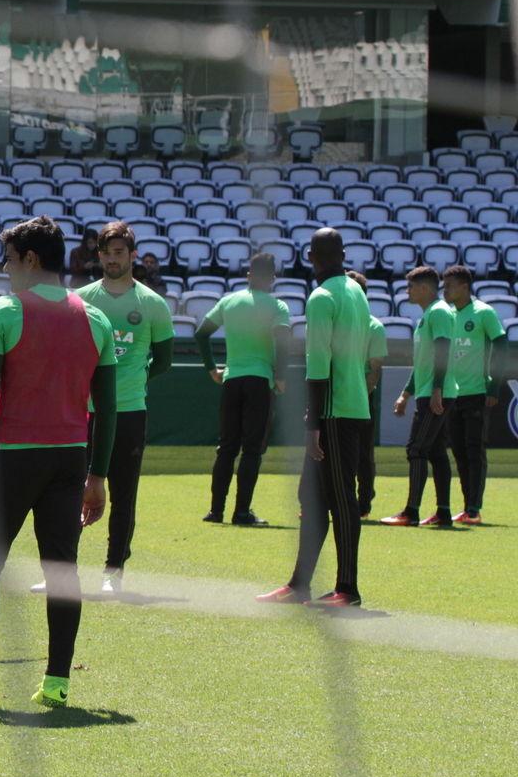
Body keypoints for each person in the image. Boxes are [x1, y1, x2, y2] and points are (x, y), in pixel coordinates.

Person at [0, 215, 117, 708]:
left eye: (10, 260)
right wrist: (98, 475)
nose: (6, 270)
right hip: (70, 460)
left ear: (31, 260)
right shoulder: (96, 319)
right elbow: (108, 410)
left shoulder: (3, 313)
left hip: (11, 458)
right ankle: (57, 684)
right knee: (62, 571)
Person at [258, 228, 371, 607]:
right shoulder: (355, 290)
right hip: (352, 404)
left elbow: (319, 363)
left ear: (310, 256)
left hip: (334, 412)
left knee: (341, 499)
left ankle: (348, 589)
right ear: (343, 254)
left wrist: (313, 422)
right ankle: (300, 584)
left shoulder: (321, 297)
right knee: (314, 496)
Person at [72, 222, 172, 593]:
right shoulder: (80, 299)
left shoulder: (153, 303)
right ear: (98, 256)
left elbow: (163, 360)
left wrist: (135, 381)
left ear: (132, 255)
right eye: (106, 253)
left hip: (129, 412)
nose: (112, 259)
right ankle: (62, 571)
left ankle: (113, 572)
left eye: (119, 252)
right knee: (69, 492)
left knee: (123, 495)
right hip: (82, 412)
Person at [194, 252, 290, 525]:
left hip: (232, 379)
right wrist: (281, 377)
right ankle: (242, 513)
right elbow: (283, 342)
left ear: (248, 276)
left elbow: (201, 334)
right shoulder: (278, 307)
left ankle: (216, 511)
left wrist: (212, 369)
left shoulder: (228, 301)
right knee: (252, 449)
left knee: (226, 448)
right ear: (272, 279)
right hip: (261, 381)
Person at [379, 266, 454, 529]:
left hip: (435, 392)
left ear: (424, 287)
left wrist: (436, 390)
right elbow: (423, 362)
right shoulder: (427, 316)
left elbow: (443, 352)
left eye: (410, 286)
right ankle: (443, 513)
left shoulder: (440, 311)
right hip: (429, 391)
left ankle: (411, 512)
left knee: (416, 449)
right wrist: (406, 394)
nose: (406, 291)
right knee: (435, 452)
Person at [440, 265, 504, 525]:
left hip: (477, 392)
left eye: (449, 286)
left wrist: (494, 386)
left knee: (474, 449)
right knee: (458, 452)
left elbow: (501, 346)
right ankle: (467, 506)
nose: (444, 290)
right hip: (452, 395)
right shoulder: (447, 315)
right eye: (443, 286)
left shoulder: (484, 312)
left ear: (465, 287)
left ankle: (474, 508)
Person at [349, 271, 388, 520]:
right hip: (335, 395)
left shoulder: (374, 326)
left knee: (363, 454)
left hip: (361, 398)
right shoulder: (336, 323)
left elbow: (375, 370)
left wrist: (358, 396)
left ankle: (363, 504)